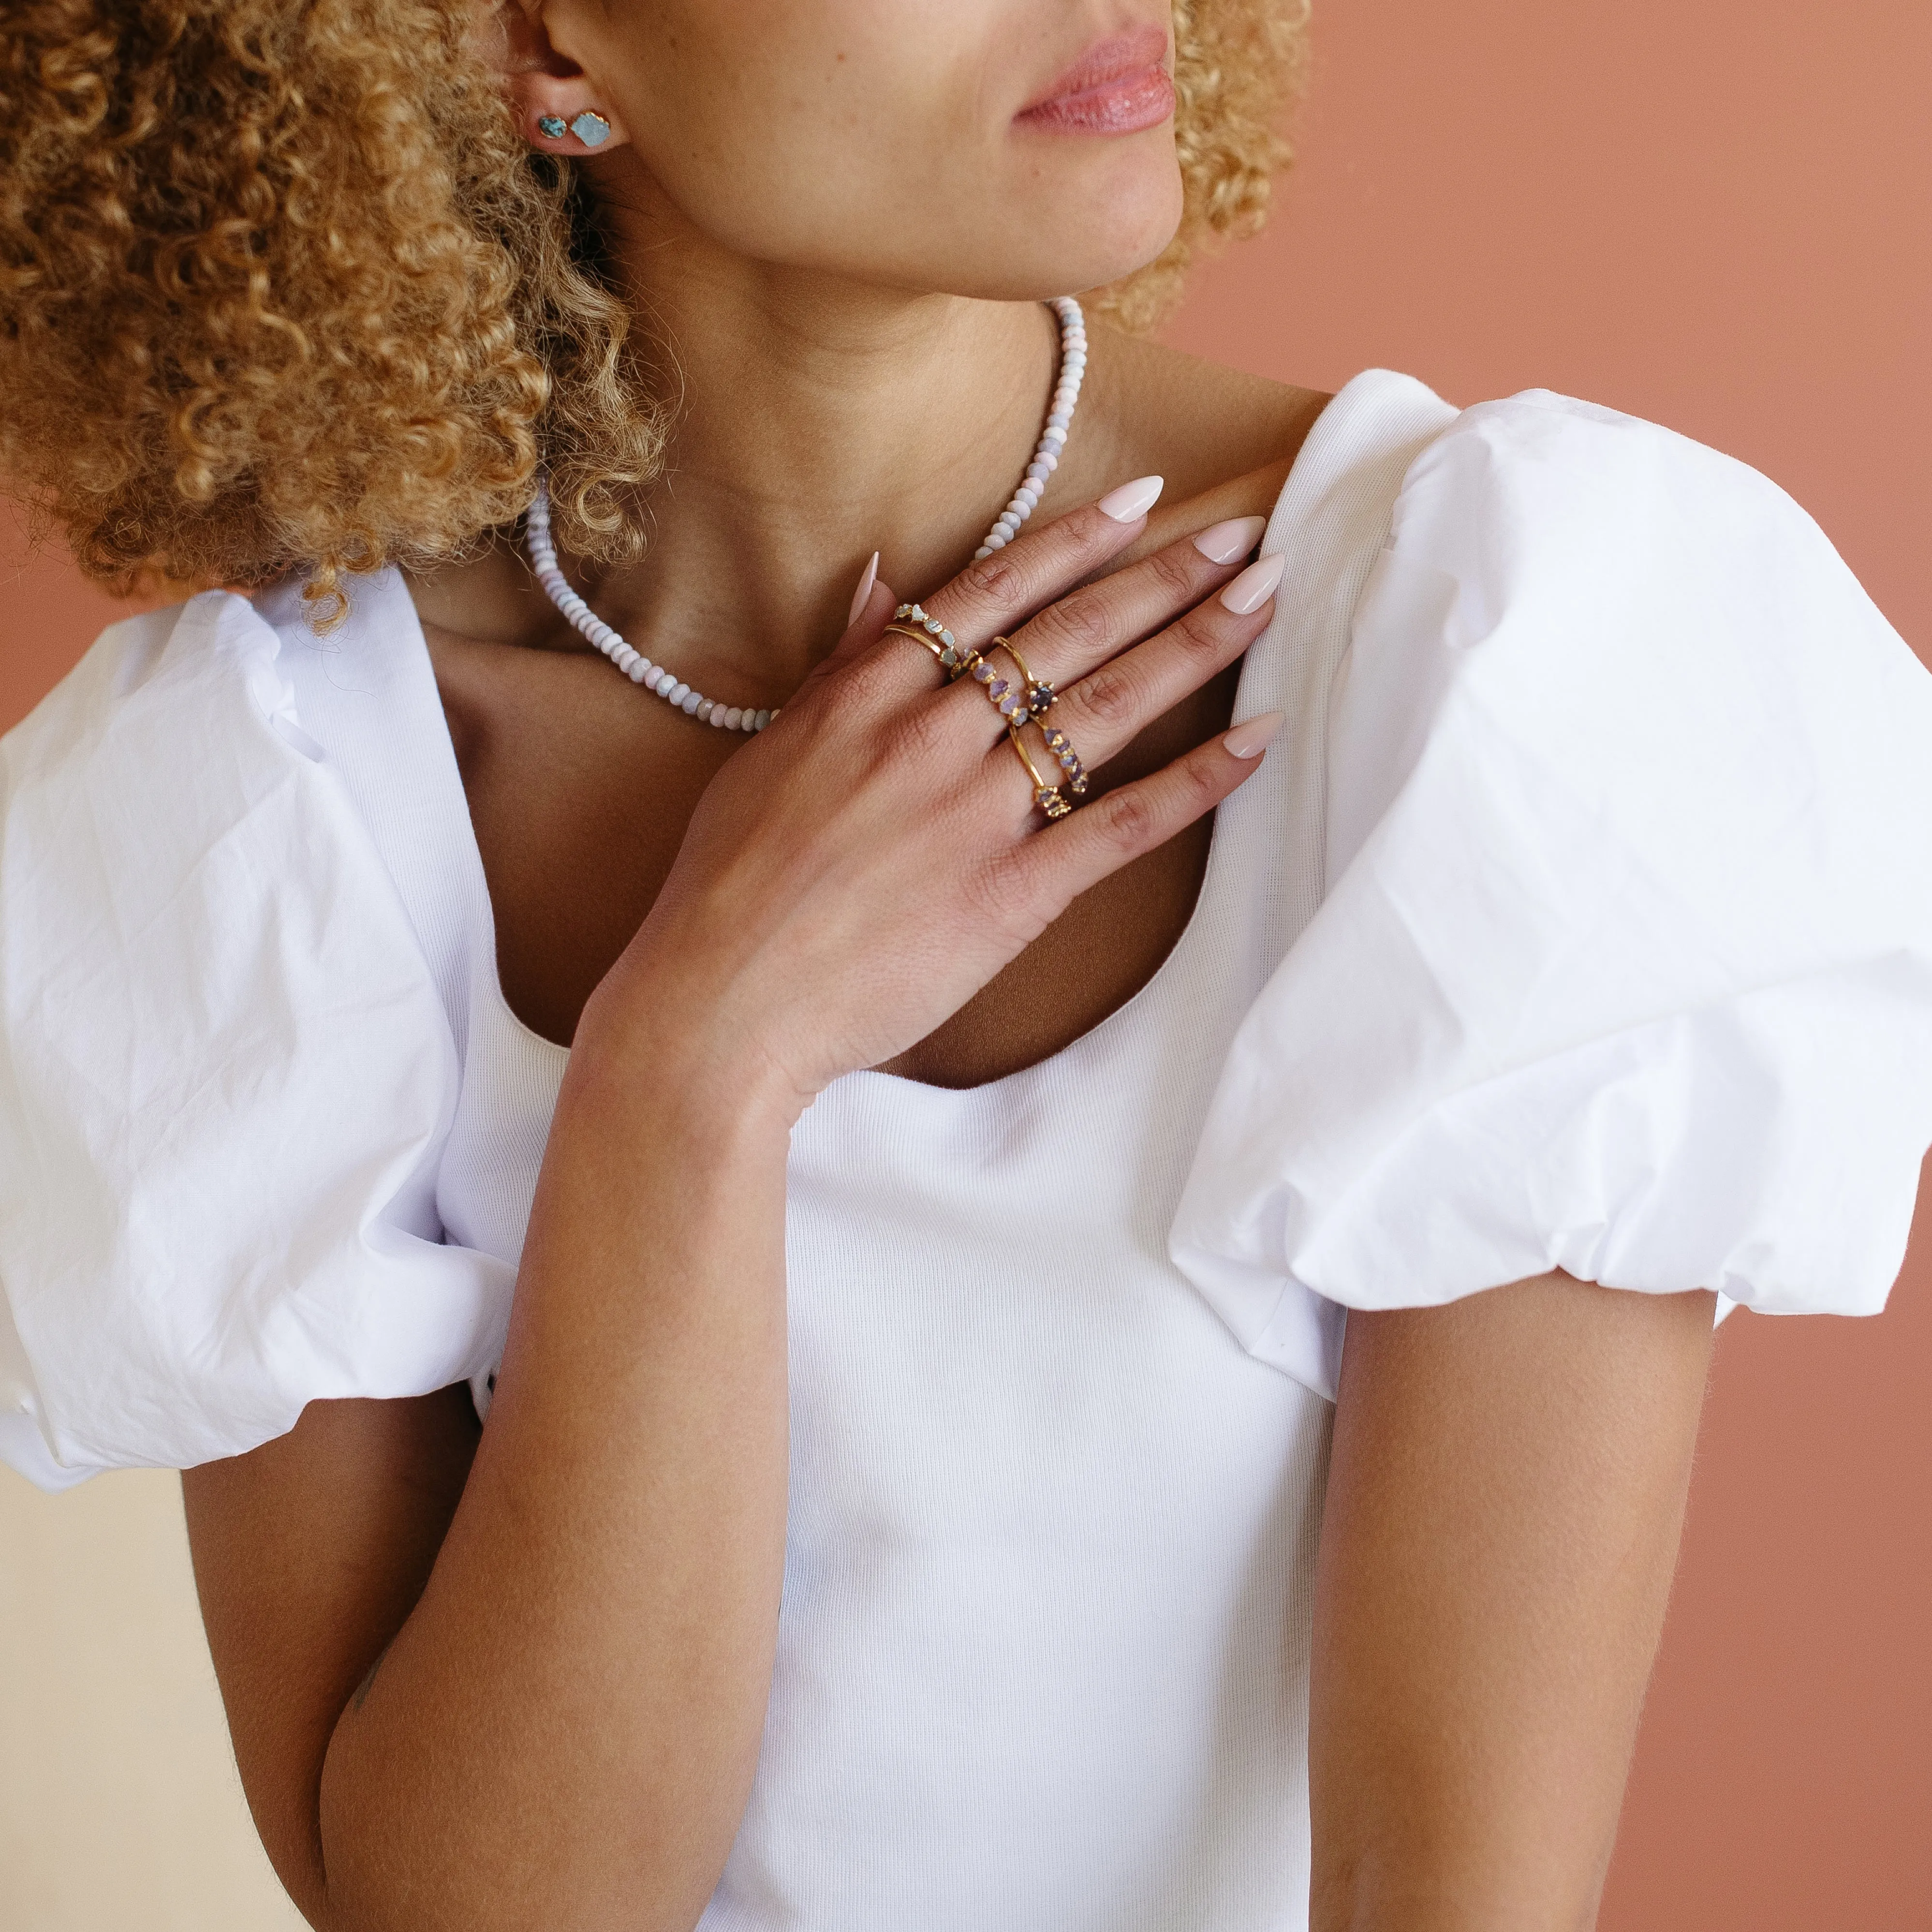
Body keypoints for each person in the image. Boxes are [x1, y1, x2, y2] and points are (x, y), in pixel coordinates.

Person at [2, 3, 1929, 1928]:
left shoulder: (1487, 651)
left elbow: (1455, 1895)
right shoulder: (266, 790)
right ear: (534, 48)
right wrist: (695, 1059)